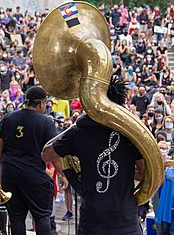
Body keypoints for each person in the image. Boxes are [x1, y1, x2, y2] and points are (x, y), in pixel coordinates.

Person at [41, 76, 145, 234]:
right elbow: (143, 173)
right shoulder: (131, 132)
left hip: (93, 219)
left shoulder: (80, 132)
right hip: (125, 218)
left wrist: (72, 127)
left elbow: (45, 154)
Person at [0, 86, 57, 234]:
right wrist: (63, 173)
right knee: (41, 217)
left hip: (10, 174)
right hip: (34, 175)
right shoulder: (46, 122)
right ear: (41, 104)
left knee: (16, 218)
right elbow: (54, 152)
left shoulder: (8, 118)